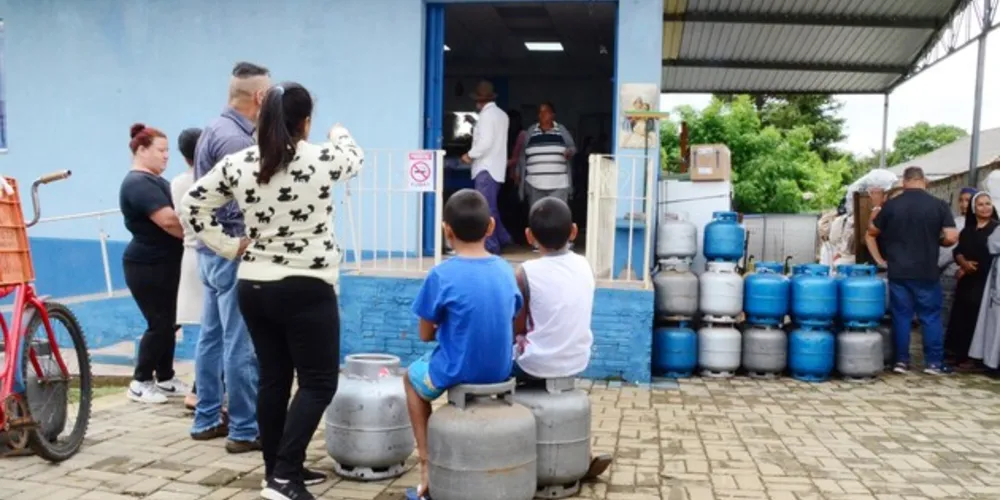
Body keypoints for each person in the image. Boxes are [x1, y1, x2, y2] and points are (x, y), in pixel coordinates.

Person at [182, 81, 363, 500]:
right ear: (305, 123)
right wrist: (339, 132)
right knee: (318, 382)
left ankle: (277, 471)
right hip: (306, 286)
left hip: (254, 285)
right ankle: (284, 475)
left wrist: (229, 246)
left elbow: (192, 204)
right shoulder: (320, 158)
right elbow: (355, 157)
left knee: (274, 379)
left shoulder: (240, 162)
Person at [402, 189, 523, 500]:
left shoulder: (441, 275)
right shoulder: (506, 270)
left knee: (411, 380)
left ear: (447, 231)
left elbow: (425, 335)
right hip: (500, 369)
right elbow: (508, 316)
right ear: (491, 227)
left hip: (458, 369)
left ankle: (427, 466)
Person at [189, 61, 270, 452]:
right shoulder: (238, 141)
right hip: (230, 250)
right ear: (260, 96)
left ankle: (206, 418)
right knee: (240, 343)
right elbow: (239, 206)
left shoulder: (213, 129)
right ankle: (243, 428)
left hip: (210, 252)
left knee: (211, 338)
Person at [511, 196, 612, 481]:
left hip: (534, 363)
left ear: (529, 235)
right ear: (574, 231)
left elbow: (517, 327)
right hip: (576, 359)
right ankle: (581, 454)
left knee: (488, 370)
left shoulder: (525, 272)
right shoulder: (585, 265)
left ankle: (500, 451)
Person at [118, 123, 189, 404]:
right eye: (161, 150)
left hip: (167, 263)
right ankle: (140, 381)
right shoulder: (137, 183)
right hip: (147, 265)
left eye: (168, 150)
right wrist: (199, 235)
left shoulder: (156, 181)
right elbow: (169, 221)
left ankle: (165, 377)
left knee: (172, 322)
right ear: (141, 150)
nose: (166, 155)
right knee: (159, 323)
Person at [868, 166, 959, 375]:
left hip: (898, 271)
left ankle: (901, 362)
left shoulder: (891, 206)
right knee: (930, 316)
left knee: (901, 317)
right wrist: (939, 241)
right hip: (927, 271)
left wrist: (880, 258)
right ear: (924, 180)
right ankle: (933, 363)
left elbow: (872, 231)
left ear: (904, 181)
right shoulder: (939, 205)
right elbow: (952, 237)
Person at [171, 127, 206, 411]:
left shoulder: (178, 182)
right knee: (220, 330)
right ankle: (201, 391)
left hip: (191, 254)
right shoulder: (211, 180)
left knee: (211, 330)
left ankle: (201, 389)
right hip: (211, 255)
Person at [946, 191, 998, 369]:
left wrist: (969, 267)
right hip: (967, 281)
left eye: (988, 204)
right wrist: (963, 263)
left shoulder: (996, 229)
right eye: (980, 204)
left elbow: (990, 255)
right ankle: (957, 353)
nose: (985, 208)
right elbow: (958, 250)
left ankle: (974, 356)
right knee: (961, 315)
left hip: (985, 280)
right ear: (974, 208)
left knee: (977, 317)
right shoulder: (968, 230)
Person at [460, 80, 511, 255]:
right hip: (496, 168)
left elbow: (485, 142)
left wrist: (469, 155)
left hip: (485, 168)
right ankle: (503, 238)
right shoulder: (502, 115)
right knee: (491, 206)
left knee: (485, 209)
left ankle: (492, 245)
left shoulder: (486, 116)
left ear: (479, 101)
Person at [517, 102, 576, 208]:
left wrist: (569, 152)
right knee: (537, 214)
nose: (542, 114)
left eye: (546, 111)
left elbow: (573, 147)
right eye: (540, 112)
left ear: (553, 115)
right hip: (534, 184)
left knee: (557, 214)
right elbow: (522, 154)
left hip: (558, 184)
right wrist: (518, 172)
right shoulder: (531, 131)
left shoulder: (561, 130)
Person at [940, 187, 976, 332]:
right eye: (961, 200)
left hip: (963, 275)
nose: (963, 204)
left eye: (968, 200)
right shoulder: (956, 222)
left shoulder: (962, 224)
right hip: (951, 274)